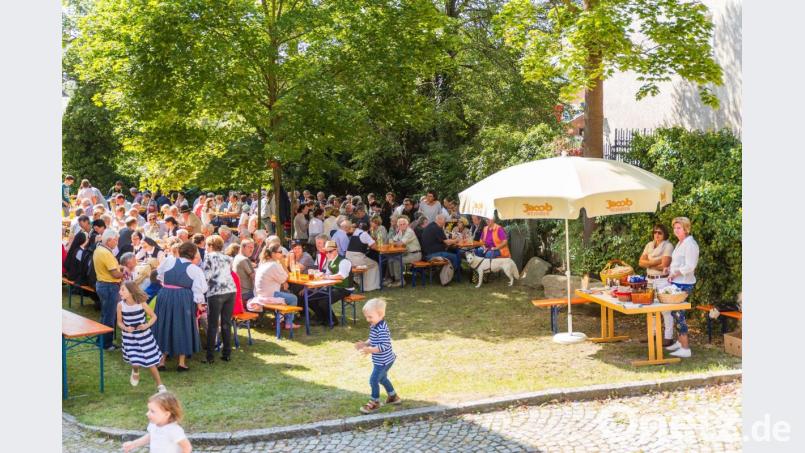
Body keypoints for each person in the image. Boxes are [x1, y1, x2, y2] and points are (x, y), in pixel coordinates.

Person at [153, 242, 207, 371]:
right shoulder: (194, 269)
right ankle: (181, 363)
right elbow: (200, 289)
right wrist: (199, 303)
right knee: (182, 325)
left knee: (164, 325)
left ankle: (161, 361)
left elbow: (159, 274)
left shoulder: (169, 261)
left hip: (165, 295)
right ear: (193, 253)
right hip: (182, 298)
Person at [117, 281, 165, 392]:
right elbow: (119, 322)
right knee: (135, 361)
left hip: (144, 336)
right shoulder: (120, 305)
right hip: (129, 338)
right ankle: (135, 371)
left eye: (123, 289)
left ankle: (160, 386)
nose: (120, 292)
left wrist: (146, 325)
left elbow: (154, 317)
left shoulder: (141, 303)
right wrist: (125, 328)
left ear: (131, 291)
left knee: (151, 362)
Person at [354, 298, 400, 414]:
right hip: (382, 360)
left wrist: (370, 350)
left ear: (380, 315)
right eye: (366, 317)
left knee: (374, 380)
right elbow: (373, 339)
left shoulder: (382, 328)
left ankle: (375, 402)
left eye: (370, 317)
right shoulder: (375, 325)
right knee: (382, 378)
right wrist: (365, 343)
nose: (367, 319)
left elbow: (384, 345)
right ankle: (393, 396)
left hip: (384, 361)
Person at [665, 217, 700, 359]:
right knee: (675, 313)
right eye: (675, 228)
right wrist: (670, 269)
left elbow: (690, 266)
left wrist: (675, 273)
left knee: (679, 314)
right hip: (677, 282)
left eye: (679, 228)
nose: (676, 230)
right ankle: (680, 343)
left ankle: (685, 348)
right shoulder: (681, 243)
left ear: (686, 228)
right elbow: (679, 263)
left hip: (684, 283)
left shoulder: (690, 244)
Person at [201, 235, 237, 363]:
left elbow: (207, 276)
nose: (205, 248)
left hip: (216, 292)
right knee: (226, 323)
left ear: (210, 246)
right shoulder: (228, 258)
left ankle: (210, 356)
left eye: (206, 245)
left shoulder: (208, 257)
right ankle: (226, 353)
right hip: (231, 290)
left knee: (213, 324)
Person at [249, 244, 300, 329]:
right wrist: (283, 263)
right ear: (273, 254)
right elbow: (285, 277)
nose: (282, 254)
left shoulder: (264, 263)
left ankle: (281, 319)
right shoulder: (274, 265)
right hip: (269, 295)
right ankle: (288, 322)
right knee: (293, 298)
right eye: (280, 252)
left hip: (261, 294)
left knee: (286, 293)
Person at [639, 224, 675, 346]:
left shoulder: (668, 246)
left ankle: (668, 337)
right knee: (650, 308)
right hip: (649, 280)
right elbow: (640, 262)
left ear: (664, 234)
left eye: (660, 232)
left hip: (662, 280)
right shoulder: (649, 245)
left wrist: (648, 263)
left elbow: (664, 265)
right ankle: (653, 334)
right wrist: (657, 262)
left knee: (665, 310)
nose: (657, 235)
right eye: (655, 232)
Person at [122, 392, 192, 453]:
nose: (147, 413)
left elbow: (187, 447)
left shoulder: (173, 430)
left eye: (152, 411)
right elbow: (151, 436)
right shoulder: (153, 425)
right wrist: (134, 444)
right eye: (148, 410)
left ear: (166, 414)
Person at [308, 241, 353, 325]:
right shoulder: (330, 261)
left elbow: (341, 276)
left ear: (336, 250)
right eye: (326, 252)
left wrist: (326, 277)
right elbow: (328, 274)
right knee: (311, 297)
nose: (328, 254)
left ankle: (333, 321)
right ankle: (321, 318)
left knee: (323, 302)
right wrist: (322, 275)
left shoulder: (344, 261)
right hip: (333, 287)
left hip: (345, 288)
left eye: (330, 251)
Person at [93, 229, 124, 349]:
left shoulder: (99, 249)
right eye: (115, 240)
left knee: (105, 315)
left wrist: (120, 267)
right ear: (109, 240)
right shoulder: (106, 253)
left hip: (103, 284)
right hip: (109, 286)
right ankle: (106, 344)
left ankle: (101, 341)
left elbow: (112, 267)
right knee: (109, 316)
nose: (116, 242)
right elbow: (115, 274)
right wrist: (126, 272)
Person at [421, 214, 461, 282]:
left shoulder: (432, 226)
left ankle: (448, 272)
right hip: (431, 255)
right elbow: (447, 242)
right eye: (444, 220)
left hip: (426, 253)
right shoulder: (436, 228)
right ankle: (451, 275)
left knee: (452, 251)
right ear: (439, 220)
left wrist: (452, 240)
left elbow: (442, 240)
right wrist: (457, 240)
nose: (445, 222)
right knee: (456, 257)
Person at [345, 222, 381, 292]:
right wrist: (374, 241)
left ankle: (360, 281)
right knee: (374, 264)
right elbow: (374, 246)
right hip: (357, 258)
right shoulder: (364, 234)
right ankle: (369, 286)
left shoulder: (355, 233)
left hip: (349, 258)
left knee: (368, 263)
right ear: (368, 228)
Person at [387, 216, 421, 287]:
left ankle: (400, 281)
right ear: (398, 226)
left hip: (415, 255)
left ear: (407, 224)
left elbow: (400, 243)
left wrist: (393, 242)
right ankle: (392, 278)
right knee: (390, 259)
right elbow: (393, 240)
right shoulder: (401, 231)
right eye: (400, 225)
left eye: (404, 224)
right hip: (407, 253)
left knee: (397, 260)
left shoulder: (409, 231)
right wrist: (394, 242)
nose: (402, 226)